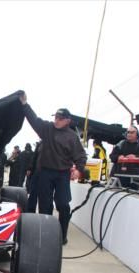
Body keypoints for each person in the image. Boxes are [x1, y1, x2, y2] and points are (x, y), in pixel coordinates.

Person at [19, 92, 87, 244]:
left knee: (63, 204)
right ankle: (46, 234)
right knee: (45, 205)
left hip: (62, 174)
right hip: (45, 173)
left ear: (68, 121)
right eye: (55, 117)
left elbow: (81, 155)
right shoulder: (47, 129)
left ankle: (62, 235)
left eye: (60, 118)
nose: (56, 120)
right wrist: (25, 105)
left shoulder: (72, 136)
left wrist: (79, 169)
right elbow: (34, 120)